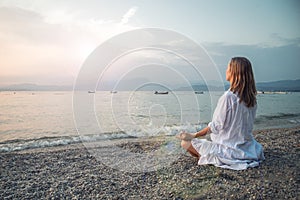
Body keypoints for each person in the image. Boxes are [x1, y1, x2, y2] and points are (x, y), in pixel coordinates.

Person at [177, 57, 265, 170]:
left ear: (233, 72)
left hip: (229, 150)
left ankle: (211, 158)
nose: (226, 71)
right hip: (247, 148)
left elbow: (216, 126)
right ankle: (213, 156)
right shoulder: (252, 98)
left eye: (228, 68)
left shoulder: (228, 97)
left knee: (185, 143)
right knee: (205, 142)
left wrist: (193, 135)